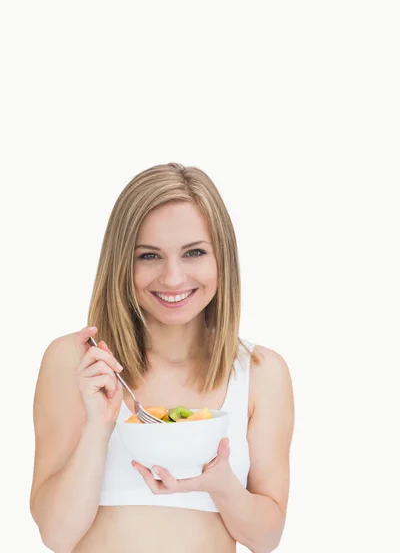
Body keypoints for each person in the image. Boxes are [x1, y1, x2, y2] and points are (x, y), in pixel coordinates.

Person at [30, 162, 295, 553]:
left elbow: (266, 538)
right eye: (149, 256)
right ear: (122, 262)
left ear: (221, 258)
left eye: (194, 252)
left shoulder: (261, 374)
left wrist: (220, 485)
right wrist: (98, 427)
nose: (173, 278)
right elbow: (56, 535)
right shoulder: (77, 363)